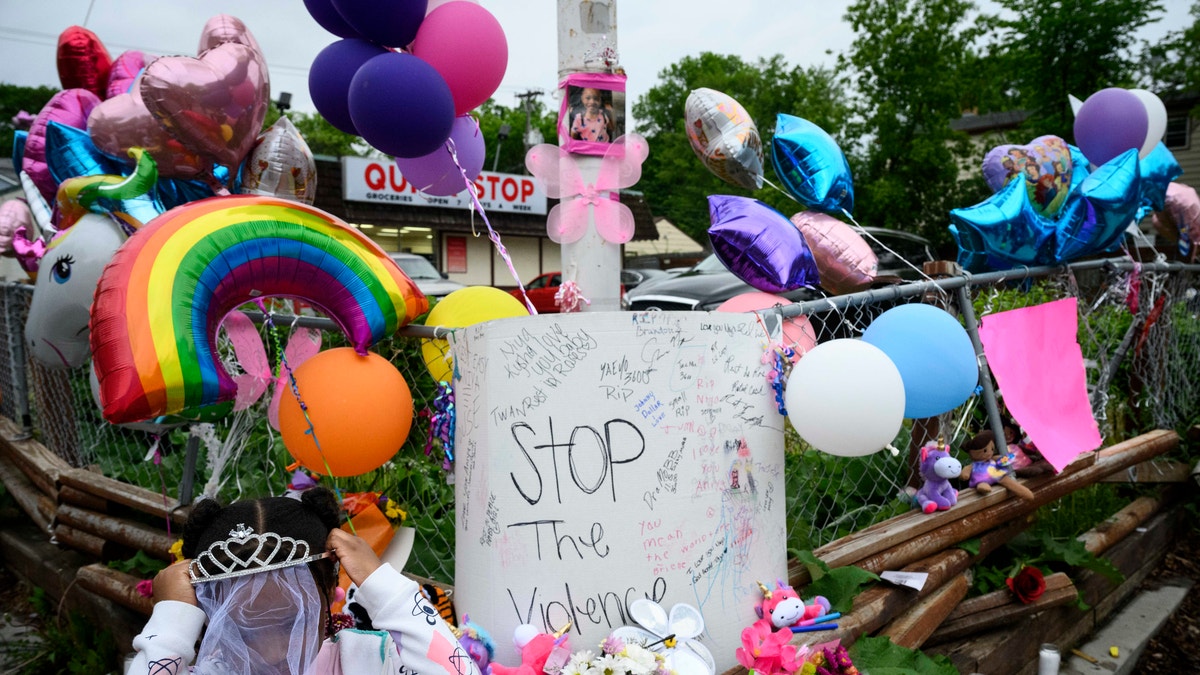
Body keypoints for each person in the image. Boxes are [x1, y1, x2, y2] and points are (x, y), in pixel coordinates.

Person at [127, 487, 477, 675]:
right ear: (211, 610)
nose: (275, 651)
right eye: (247, 628)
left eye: (290, 621)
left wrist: (384, 588)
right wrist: (171, 622)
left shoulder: (368, 661)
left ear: (329, 593)